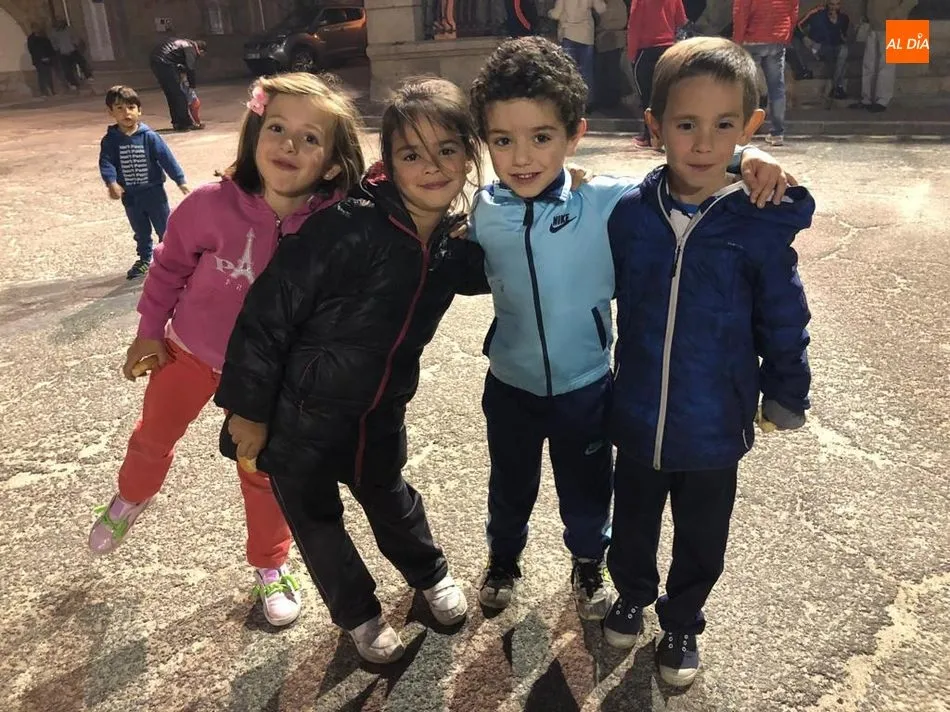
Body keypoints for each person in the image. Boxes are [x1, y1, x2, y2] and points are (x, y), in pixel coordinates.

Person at [466, 36, 791, 622]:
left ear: (575, 134)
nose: (522, 157)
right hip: (509, 384)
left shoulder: (606, 200)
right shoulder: (483, 211)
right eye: (502, 141)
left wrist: (747, 158)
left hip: (587, 386)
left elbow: (687, 162)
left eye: (541, 137)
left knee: (588, 491)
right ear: (485, 142)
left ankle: (589, 560)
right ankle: (504, 558)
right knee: (509, 485)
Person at [214, 77, 491, 664]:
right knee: (317, 522)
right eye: (411, 154)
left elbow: (505, 267)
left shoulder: (453, 244)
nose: (431, 167)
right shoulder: (347, 225)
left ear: (470, 154)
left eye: (447, 150)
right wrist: (248, 410)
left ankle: (429, 573)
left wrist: (550, 203)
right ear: (386, 161)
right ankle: (359, 614)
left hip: (379, 412)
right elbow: (267, 315)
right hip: (297, 415)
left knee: (392, 497)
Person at [88, 73, 365, 629]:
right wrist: (149, 329)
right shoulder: (210, 205)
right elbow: (168, 267)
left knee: (261, 472)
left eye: (311, 138)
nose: (289, 144)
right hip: (187, 355)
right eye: (278, 127)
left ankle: (270, 563)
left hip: (269, 381)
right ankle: (130, 497)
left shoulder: (332, 228)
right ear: (256, 132)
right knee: (152, 436)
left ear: (334, 165)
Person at [603, 36, 814, 687]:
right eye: (686, 124)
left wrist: (787, 388)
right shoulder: (630, 214)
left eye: (725, 126)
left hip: (716, 423)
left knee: (702, 535)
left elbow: (784, 313)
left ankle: (683, 619)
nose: (702, 143)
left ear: (750, 127)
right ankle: (631, 593)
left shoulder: (757, 221)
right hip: (638, 415)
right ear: (655, 127)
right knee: (631, 520)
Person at [97, 86, 190, 279]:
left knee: (164, 227)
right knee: (140, 230)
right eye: (120, 108)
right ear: (110, 112)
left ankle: (172, 258)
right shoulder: (110, 140)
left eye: (131, 107)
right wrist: (111, 182)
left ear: (139, 110)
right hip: (131, 197)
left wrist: (180, 180)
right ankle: (145, 259)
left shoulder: (149, 137)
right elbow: (106, 162)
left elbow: (166, 158)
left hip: (154, 193)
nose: (126, 113)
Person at [733, 0, 799, 146]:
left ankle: (746, 130)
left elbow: (740, 13)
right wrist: (787, 36)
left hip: (752, 40)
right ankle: (777, 133)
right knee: (777, 87)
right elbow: (793, 11)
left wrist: (737, 41)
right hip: (777, 40)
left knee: (748, 86)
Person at [626, 0, 687, 149]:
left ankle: (649, 137)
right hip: (669, 51)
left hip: (646, 52)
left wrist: (631, 54)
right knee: (667, 95)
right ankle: (670, 135)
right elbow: (681, 20)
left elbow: (634, 26)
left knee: (647, 96)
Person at [849, 0, 919, 112]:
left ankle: (882, 100)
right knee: (869, 63)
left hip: (892, 24)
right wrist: (864, 15)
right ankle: (867, 98)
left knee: (886, 65)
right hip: (872, 25)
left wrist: (897, 13)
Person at [549, 0, 607, 105]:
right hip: (586, 34)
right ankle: (588, 102)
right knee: (586, 71)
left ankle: (572, 101)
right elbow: (601, 8)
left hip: (569, 34)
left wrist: (550, 13)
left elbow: (556, 14)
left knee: (570, 70)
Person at [150, 37, 206, 130]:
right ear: (201, 50)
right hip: (165, 63)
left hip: (156, 61)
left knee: (171, 94)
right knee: (179, 95)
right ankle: (185, 123)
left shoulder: (183, 43)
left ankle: (177, 122)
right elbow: (190, 67)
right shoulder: (190, 47)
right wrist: (192, 85)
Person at [594, 0, 631, 111]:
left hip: (613, 40)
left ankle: (611, 99)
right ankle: (607, 99)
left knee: (612, 71)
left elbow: (620, 22)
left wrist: (601, 27)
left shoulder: (616, 4)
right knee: (606, 71)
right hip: (605, 40)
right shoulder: (609, 3)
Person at [50, 19, 94, 91]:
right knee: (67, 70)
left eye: (60, 22)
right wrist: (57, 49)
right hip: (63, 53)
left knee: (82, 62)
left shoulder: (69, 29)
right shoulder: (54, 33)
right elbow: (53, 42)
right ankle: (73, 83)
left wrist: (76, 44)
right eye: (58, 23)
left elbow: (75, 37)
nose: (59, 24)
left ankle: (88, 76)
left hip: (73, 50)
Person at [27, 23, 57, 97]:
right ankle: (43, 92)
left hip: (47, 59)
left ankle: (52, 91)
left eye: (37, 27)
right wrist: (41, 58)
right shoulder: (31, 39)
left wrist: (49, 57)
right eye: (35, 28)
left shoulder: (44, 37)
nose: (37, 29)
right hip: (38, 60)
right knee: (42, 76)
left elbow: (49, 47)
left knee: (49, 75)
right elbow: (33, 50)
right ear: (32, 29)